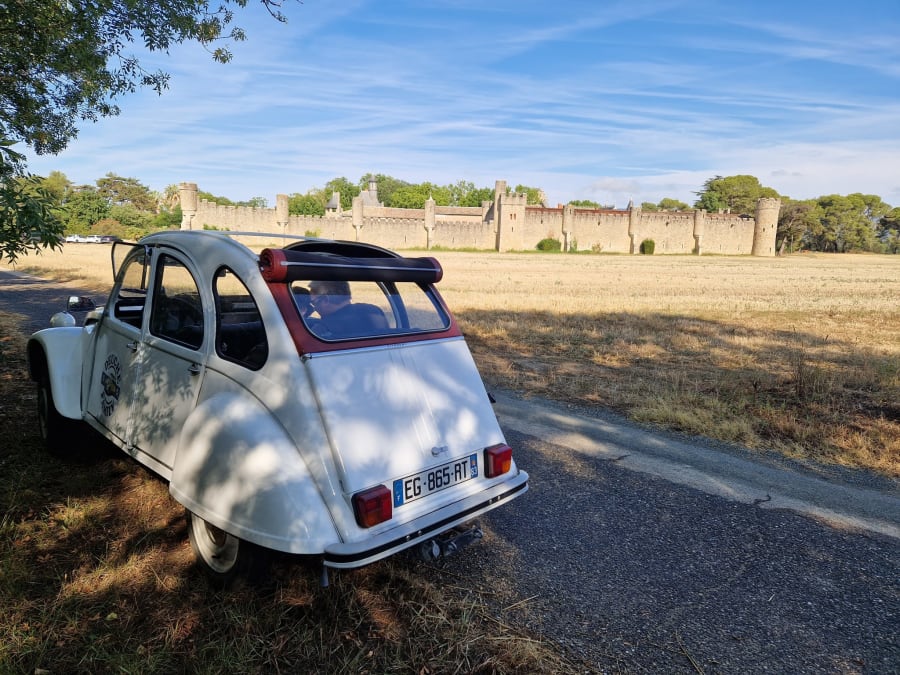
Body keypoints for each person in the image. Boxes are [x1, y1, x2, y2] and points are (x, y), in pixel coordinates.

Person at [308, 280, 388, 337]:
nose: (315, 309)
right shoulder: (374, 311)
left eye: (313, 303)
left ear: (325, 300)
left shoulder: (322, 329)